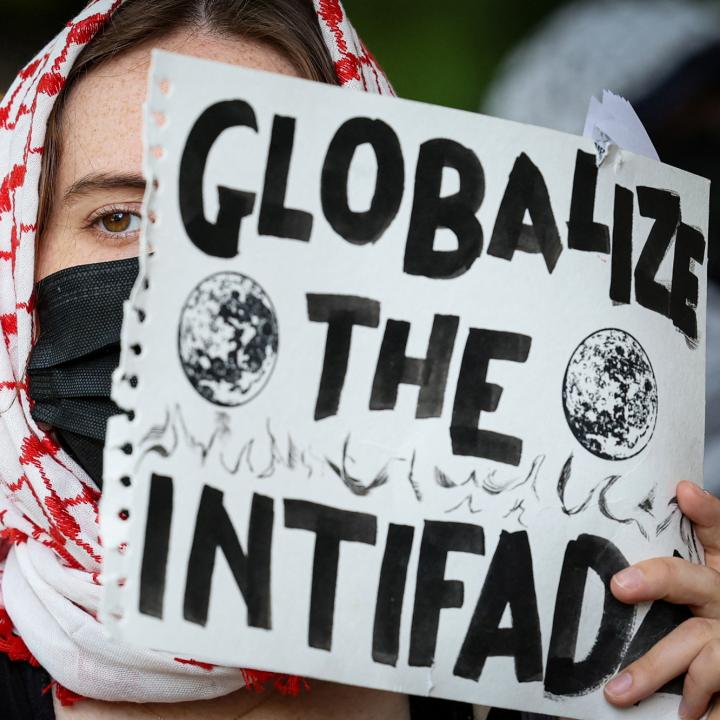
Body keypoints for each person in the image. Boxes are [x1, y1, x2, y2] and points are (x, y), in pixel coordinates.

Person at [0, 2, 719, 720]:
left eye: (264, 210)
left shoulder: (532, 670)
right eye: (120, 219)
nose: (197, 278)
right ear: (20, 267)